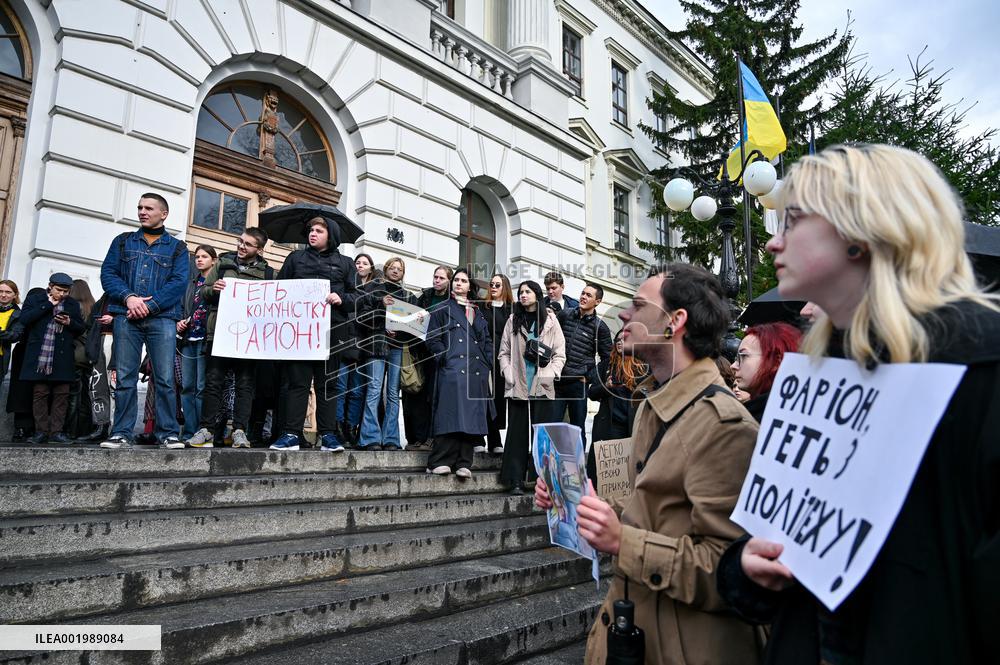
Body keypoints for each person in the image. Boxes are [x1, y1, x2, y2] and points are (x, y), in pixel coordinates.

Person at [718, 144, 1000, 664]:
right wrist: (747, 568)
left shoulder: (984, 369)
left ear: (861, 230)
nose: (774, 242)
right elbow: (776, 542)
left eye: (795, 219)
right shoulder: (818, 373)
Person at [537, 263, 762, 665]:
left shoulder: (724, 425)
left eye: (639, 305)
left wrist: (621, 541)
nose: (624, 314)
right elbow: (652, 513)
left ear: (674, 322)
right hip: (639, 630)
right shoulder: (651, 406)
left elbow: (732, 574)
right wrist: (587, 505)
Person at [100, 193, 189, 449]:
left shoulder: (178, 248)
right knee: (125, 377)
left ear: (164, 214)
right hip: (126, 316)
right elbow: (109, 274)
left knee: (164, 378)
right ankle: (121, 433)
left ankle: (168, 433)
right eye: (140, 207)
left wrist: (148, 305)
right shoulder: (122, 242)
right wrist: (129, 298)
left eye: (149, 208)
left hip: (162, 319)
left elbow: (179, 282)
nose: (142, 211)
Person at [270, 215, 357, 452]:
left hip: (332, 331)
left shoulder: (347, 263)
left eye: (319, 230)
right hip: (299, 331)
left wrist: (342, 298)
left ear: (331, 235)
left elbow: (357, 298)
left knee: (327, 384)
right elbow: (279, 290)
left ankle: (328, 435)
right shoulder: (295, 258)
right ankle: (291, 434)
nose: (313, 233)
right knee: (297, 383)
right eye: (311, 229)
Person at [185, 229, 274, 448]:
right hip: (219, 333)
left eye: (248, 244)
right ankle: (207, 429)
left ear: (259, 250)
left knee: (245, 385)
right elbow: (204, 293)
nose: (242, 246)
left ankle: (239, 431)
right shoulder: (222, 264)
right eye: (240, 241)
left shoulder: (268, 273)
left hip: (248, 338)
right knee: (213, 382)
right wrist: (213, 289)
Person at [498, 280, 566, 495]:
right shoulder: (513, 320)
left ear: (537, 294)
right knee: (517, 433)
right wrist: (508, 373)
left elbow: (559, 354)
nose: (523, 295)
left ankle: (542, 481)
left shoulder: (551, 320)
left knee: (542, 434)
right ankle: (515, 480)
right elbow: (504, 353)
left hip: (541, 383)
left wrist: (550, 374)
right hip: (518, 382)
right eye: (521, 292)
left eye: (527, 291)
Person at [425, 267, 493, 477]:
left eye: (463, 281)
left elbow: (487, 341)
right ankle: (439, 461)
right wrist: (443, 356)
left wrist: (487, 363)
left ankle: (464, 462)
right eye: (456, 280)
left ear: (470, 286)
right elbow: (432, 339)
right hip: (452, 369)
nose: (458, 283)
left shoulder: (478, 313)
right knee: (450, 415)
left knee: (470, 418)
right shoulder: (442, 309)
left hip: (475, 371)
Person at [356, 256, 417, 451]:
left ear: (403, 273)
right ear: (387, 269)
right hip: (376, 346)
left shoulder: (408, 296)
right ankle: (369, 438)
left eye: (400, 269)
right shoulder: (373, 290)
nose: (396, 271)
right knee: (374, 390)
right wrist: (381, 310)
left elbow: (418, 324)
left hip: (398, 347)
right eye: (393, 267)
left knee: (393, 393)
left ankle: (391, 438)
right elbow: (361, 317)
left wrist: (400, 329)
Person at [19, 273, 86, 444]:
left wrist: (69, 322)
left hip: (62, 356)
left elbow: (80, 328)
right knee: (40, 393)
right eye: (59, 290)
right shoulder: (36, 298)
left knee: (61, 394)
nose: (62, 294)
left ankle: (57, 432)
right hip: (40, 356)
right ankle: (40, 432)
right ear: (50, 286)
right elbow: (25, 319)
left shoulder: (71, 304)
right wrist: (48, 305)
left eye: (66, 291)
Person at [552, 283, 612, 452]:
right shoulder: (565, 315)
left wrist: (590, 375)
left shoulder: (600, 327)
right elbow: (551, 340)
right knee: (553, 427)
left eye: (589, 295)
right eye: (583, 293)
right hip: (558, 380)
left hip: (579, 383)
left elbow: (608, 357)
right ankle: (551, 471)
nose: (583, 297)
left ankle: (578, 472)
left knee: (577, 428)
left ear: (597, 301)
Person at [585, 329, 647, 481]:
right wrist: (606, 386)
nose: (620, 342)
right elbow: (592, 393)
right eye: (617, 340)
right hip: (610, 424)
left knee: (630, 468)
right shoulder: (606, 365)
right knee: (607, 471)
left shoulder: (642, 367)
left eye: (624, 339)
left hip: (633, 423)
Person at [403, 265, 453, 451]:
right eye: (435, 277)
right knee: (416, 395)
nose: (437, 280)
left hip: (439, 354)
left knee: (435, 397)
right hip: (421, 352)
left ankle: (432, 437)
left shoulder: (451, 300)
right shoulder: (424, 297)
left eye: (441, 278)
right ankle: (416, 437)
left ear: (449, 280)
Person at [332, 253, 378, 448]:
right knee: (341, 388)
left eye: (364, 263)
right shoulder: (345, 288)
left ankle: (352, 428)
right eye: (357, 262)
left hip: (363, 346)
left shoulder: (373, 291)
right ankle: (338, 428)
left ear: (371, 268)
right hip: (343, 343)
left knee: (357, 391)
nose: (360, 266)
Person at [178, 244, 217, 440]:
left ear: (214, 260)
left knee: (202, 386)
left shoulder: (217, 283)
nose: (199, 260)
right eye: (197, 257)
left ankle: (203, 430)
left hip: (206, 338)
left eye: (204, 256)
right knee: (187, 386)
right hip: (188, 339)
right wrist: (180, 322)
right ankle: (189, 430)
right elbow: (183, 307)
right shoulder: (191, 283)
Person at [731, 322, 802, 422]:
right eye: (736, 358)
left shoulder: (764, 420)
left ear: (776, 362)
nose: (733, 366)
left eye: (743, 356)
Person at [479, 272, 513, 455]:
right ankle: (478, 437)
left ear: (504, 287)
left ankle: (495, 438)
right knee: (482, 397)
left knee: (498, 399)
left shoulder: (512, 310)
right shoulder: (483, 307)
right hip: (484, 357)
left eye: (497, 285)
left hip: (504, 359)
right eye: (491, 284)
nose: (493, 287)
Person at [0, 279, 21, 383]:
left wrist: (2, 334)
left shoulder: (18, 314)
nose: (3, 295)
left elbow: (16, 335)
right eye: (1, 291)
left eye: (8, 292)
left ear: (15, 295)